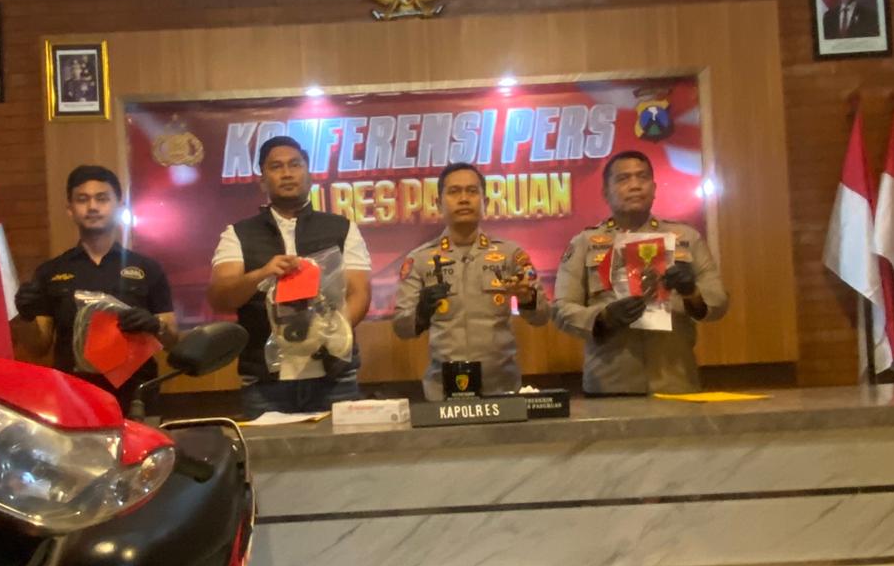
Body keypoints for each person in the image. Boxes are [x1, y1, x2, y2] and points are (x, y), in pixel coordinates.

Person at [208, 135, 372, 417]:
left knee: (344, 448)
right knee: (268, 449)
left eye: (295, 165)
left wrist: (328, 334)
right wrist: (260, 274)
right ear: (262, 180)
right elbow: (220, 298)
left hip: (334, 378)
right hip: (265, 382)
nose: (287, 173)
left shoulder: (342, 228)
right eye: (276, 166)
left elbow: (360, 293)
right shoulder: (238, 234)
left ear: (309, 174)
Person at [553, 149, 727, 394]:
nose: (635, 185)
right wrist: (603, 318)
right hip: (611, 385)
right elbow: (561, 310)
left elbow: (718, 302)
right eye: (623, 179)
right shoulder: (584, 243)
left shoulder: (687, 238)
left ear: (654, 188)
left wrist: (691, 293)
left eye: (642, 177)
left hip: (676, 382)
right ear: (605, 192)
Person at [13, 165, 178, 413]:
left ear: (119, 206)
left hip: (137, 396)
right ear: (70, 209)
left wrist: (155, 326)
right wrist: (25, 317)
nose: (92, 207)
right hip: (73, 396)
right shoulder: (50, 272)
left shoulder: (147, 268)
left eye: (102, 198)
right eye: (82, 199)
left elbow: (173, 340)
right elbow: (38, 347)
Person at [393, 162, 549, 399]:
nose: (464, 199)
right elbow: (401, 328)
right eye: (454, 192)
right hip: (442, 391)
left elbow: (542, 316)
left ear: (485, 202)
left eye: (472, 191)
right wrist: (421, 313)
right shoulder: (420, 259)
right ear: (438, 204)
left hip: (502, 388)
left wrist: (527, 299)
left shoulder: (511, 255)